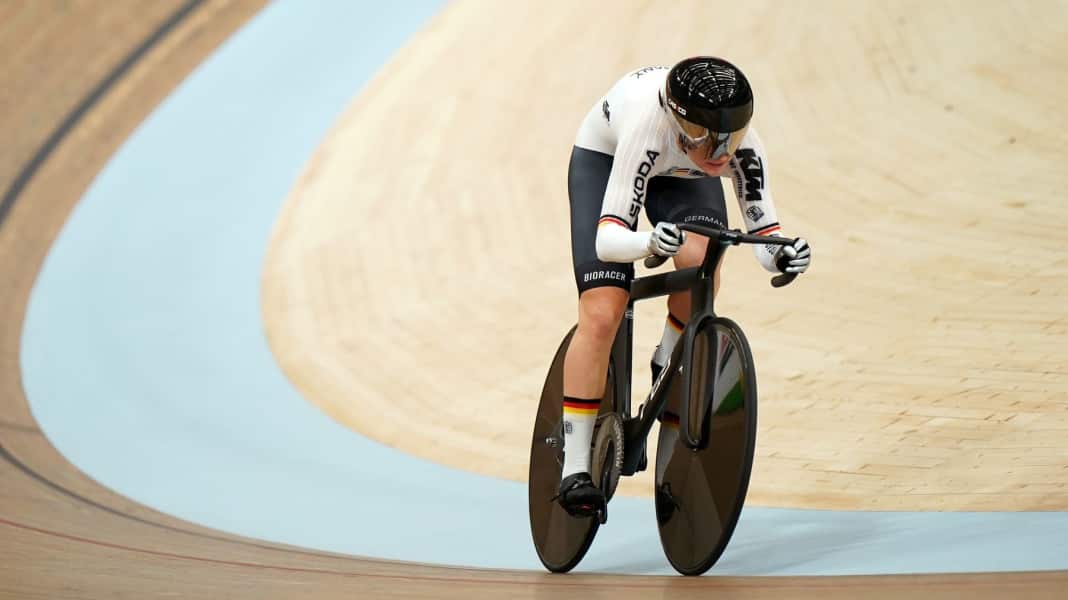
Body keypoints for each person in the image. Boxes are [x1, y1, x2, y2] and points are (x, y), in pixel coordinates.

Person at [558, 56, 812, 516]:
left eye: (730, 140)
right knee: (602, 311)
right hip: (608, 159)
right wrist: (647, 241)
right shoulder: (647, 129)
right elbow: (607, 241)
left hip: (680, 174)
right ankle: (573, 469)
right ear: (678, 124)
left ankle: (668, 357)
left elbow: (763, 233)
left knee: (701, 264)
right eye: (706, 138)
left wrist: (783, 254)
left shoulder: (737, 147)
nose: (720, 154)